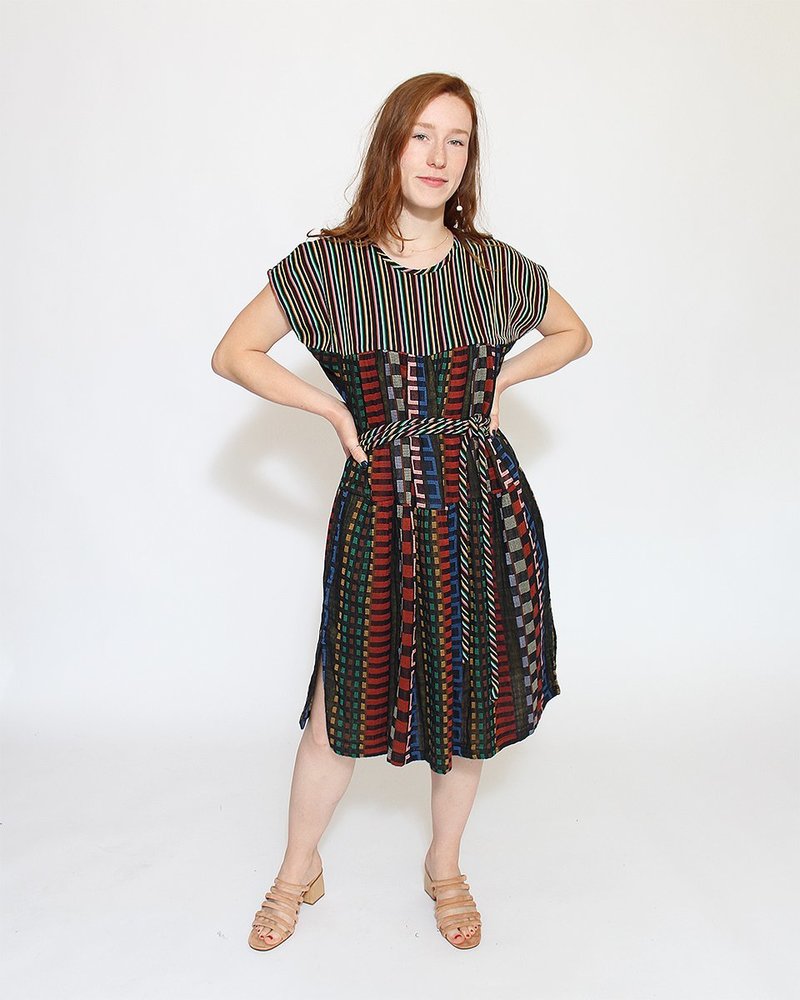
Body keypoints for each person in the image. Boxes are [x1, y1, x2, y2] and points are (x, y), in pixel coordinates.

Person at [211, 72, 592, 952]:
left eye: (457, 140)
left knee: (466, 704)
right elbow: (234, 353)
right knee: (336, 709)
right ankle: (296, 868)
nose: (439, 155)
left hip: (476, 504)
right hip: (378, 506)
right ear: (391, 145)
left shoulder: (494, 267)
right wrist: (330, 408)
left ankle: (444, 866)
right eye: (423, 134)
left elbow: (574, 333)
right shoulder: (329, 266)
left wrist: (502, 383)